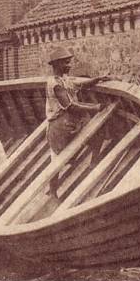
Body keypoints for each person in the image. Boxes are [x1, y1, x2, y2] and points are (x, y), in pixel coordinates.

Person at [45, 46, 109, 198]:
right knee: (57, 160)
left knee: (97, 130)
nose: (69, 65)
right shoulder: (55, 84)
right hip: (60, 126)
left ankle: (93, 162)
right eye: (66, 63)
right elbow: (70, 106)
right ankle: (53, 192)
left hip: (69, 122)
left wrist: (97, 79)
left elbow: (79, 85)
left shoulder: (64, 79)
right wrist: (96, 107)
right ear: (57, 64)